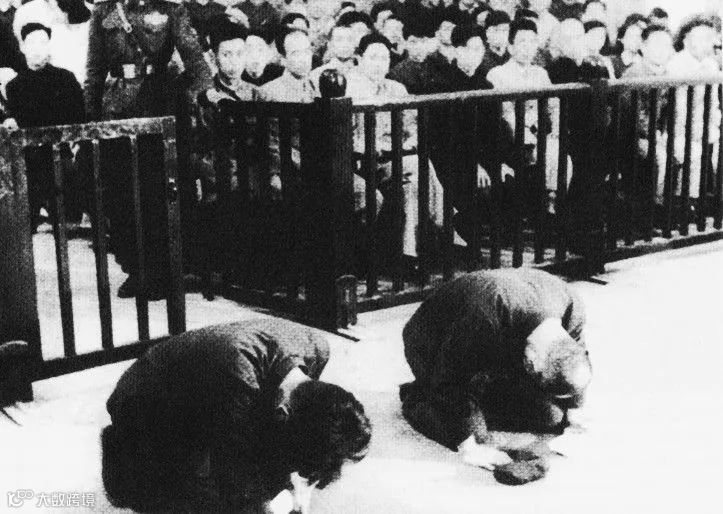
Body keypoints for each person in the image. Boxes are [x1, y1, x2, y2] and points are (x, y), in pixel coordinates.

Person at [101, 318, 372, 512]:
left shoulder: (317, 349)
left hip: (211, 390)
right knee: (213, 500)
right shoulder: (237, 378)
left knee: (267, 474)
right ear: (283, 412)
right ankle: (126, 458)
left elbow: (301, 431)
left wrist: (301, 488)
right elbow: (234, 471)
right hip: (145, 403)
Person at [84, 0, 212, 299]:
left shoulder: (171, 9)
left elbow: (194, 58)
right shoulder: (104, 12)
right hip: (116, 110)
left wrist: (203, 94)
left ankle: (161, 271)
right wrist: (90, 120)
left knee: (157, 193)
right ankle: (134, 268)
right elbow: (94, 69)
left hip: (159, 105)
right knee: (122, 194)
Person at [400, 269, 591, 460]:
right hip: (431, 344)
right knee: (477, 435)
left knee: (551, 417)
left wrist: (574, 414)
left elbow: (576, 360)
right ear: (531, 362)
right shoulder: (483, 317)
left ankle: (481, 396)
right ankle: (418, 399)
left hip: (501, 337)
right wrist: (469, 447)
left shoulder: (572, 308)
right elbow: (449, 378)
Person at [346, 32, 443, 263]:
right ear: (359, 59)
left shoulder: (397, 89)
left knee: (413, 183)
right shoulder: (349, 89)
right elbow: (348, 138)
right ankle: (444, 224)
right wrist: (378, 146)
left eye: (384, 58)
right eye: (373, 57)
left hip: (396, 158)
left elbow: (413, 128)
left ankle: (408, 251)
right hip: (364, 161)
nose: (379, 64)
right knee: (419, 165)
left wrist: (407, 143)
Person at [3, 21, 85, 229]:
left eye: (43, 42)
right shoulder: (14, 87)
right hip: (29, 164)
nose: (37, 48)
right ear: (22, 47)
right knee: (23, 223)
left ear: (50, 46)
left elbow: (79, 119)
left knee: (69, 220)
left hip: (61, 159)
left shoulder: (65, 79)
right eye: (32, 42)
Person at [488, 19, 559, 217]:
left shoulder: (541, 73)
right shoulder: (497, 74)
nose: (528, 47)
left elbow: (554, 105)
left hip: (539, 133)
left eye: (532, 42)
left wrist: (556, 130)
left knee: (557, 151)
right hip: (512, 137)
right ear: (510, 47)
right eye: (522, 42)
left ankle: (551, 200)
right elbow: (505, 114)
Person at [666, 17, 720, 219]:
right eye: (702, 38)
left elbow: (713, 103)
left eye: (710, 38)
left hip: (702, 125)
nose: (708, 43)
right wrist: (695, 130)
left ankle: (707, 200)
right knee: (692, 150)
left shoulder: (711, 64)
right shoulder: (676, 64)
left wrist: (713, 124)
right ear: (687, 40)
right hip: (676, 128)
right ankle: (684, 203)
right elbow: (677, 109)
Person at [621, 24, 674, 229]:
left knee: (671, 151)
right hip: (629, 135)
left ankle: (660, 208)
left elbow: (668, 110)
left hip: (654, 133)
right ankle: (648, 214)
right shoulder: (634, 74)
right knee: (654, 156)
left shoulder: (666, 74)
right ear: (643, 47)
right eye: (656, 44)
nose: (662, 50)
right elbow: (634, 113)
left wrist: (664, 132)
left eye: (666, 45)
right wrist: (651, 134)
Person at [310, 22, 357, 89]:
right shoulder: (317, 74)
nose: (345, 44)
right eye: (339, 39)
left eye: (350, 39)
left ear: (355, 44)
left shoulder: (361, 73)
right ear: (330, 44)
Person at [610, 14, 647, 78]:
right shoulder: (611, 63)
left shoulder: (645, 63)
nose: (635, 40)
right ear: (621, 39)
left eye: (638, 36)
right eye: (631, 36)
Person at [479, 9, 510, 78]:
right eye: (496, 30)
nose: (501, 34)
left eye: (505, 30)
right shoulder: (480, 54)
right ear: (487, 32)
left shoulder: (513, 54)